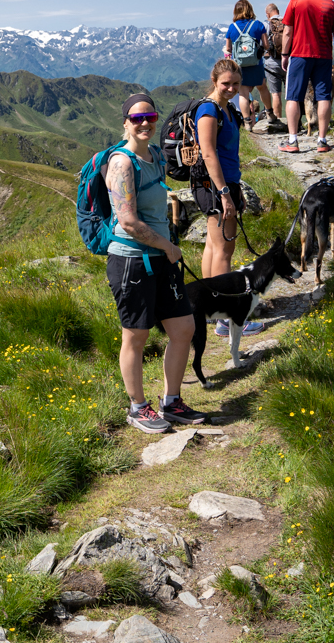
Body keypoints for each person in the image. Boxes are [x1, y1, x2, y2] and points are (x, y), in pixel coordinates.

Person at [105, 93, 207, 432]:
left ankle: (172, 402)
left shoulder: (154, 157)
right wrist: (168, 245)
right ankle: (137, 407)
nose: (145, 123)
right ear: (125, 123)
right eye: (137, 118)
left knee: (183, 328)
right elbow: (129, 221)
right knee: (136, 335)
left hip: (161, 258)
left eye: (149, 116)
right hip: (133, 262)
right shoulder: (122, 163)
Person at [193, 60, 265, 337]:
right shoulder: (209, 110)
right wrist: (225, 194)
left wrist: (235, 190)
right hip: (216, 186)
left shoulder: (226, 108)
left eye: (236, 84)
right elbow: (209, 153)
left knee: (213, 247)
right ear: (214, 80)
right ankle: (226, 319)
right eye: (226, 84)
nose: (232, 88)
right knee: (224, 250)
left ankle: (210, 310)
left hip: (222, 184)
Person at [280, 0, 334, 154]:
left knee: (293, 96)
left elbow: (287, 32)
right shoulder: (333, 6)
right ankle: (322, 141)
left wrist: (285, 54)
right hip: (323, 56)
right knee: (324, 97)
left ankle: (293, 141)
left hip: (299, 54)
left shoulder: (295, 2)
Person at [223, 0, 271, 126]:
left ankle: (247, 122)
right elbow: (266, 45)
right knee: (263, 88)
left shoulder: (232, 27)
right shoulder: (258, 25)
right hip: (256, 63)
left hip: (240, 66)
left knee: (243, 93)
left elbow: (228, 49)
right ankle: (270, 114)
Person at [261, 3, 288, 134]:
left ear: (268, 13)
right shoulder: (288, 21)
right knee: (291, 95)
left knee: (276, 94)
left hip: (271, 64)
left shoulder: (266, 25)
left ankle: (278, 123)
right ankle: (294, 122)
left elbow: (263, 44)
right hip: (288, 63)